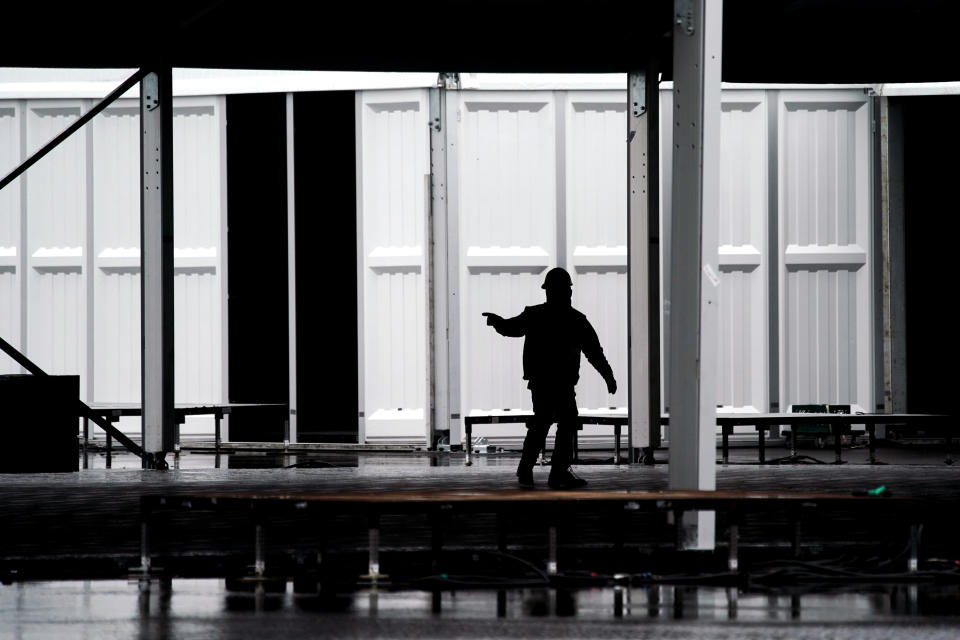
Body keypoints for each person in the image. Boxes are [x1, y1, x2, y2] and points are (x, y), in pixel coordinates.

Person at [482, 267, 617, 489]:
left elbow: (512, 328)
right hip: (561, 383)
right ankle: (557, 473)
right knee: (565, 422)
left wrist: (497, 322)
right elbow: (594, 352)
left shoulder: (536, 315)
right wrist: (608, 377)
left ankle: (526, 470)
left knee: (541, 424)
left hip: (541, 382)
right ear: (567, 291)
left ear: (548, 291)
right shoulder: (576, 320)